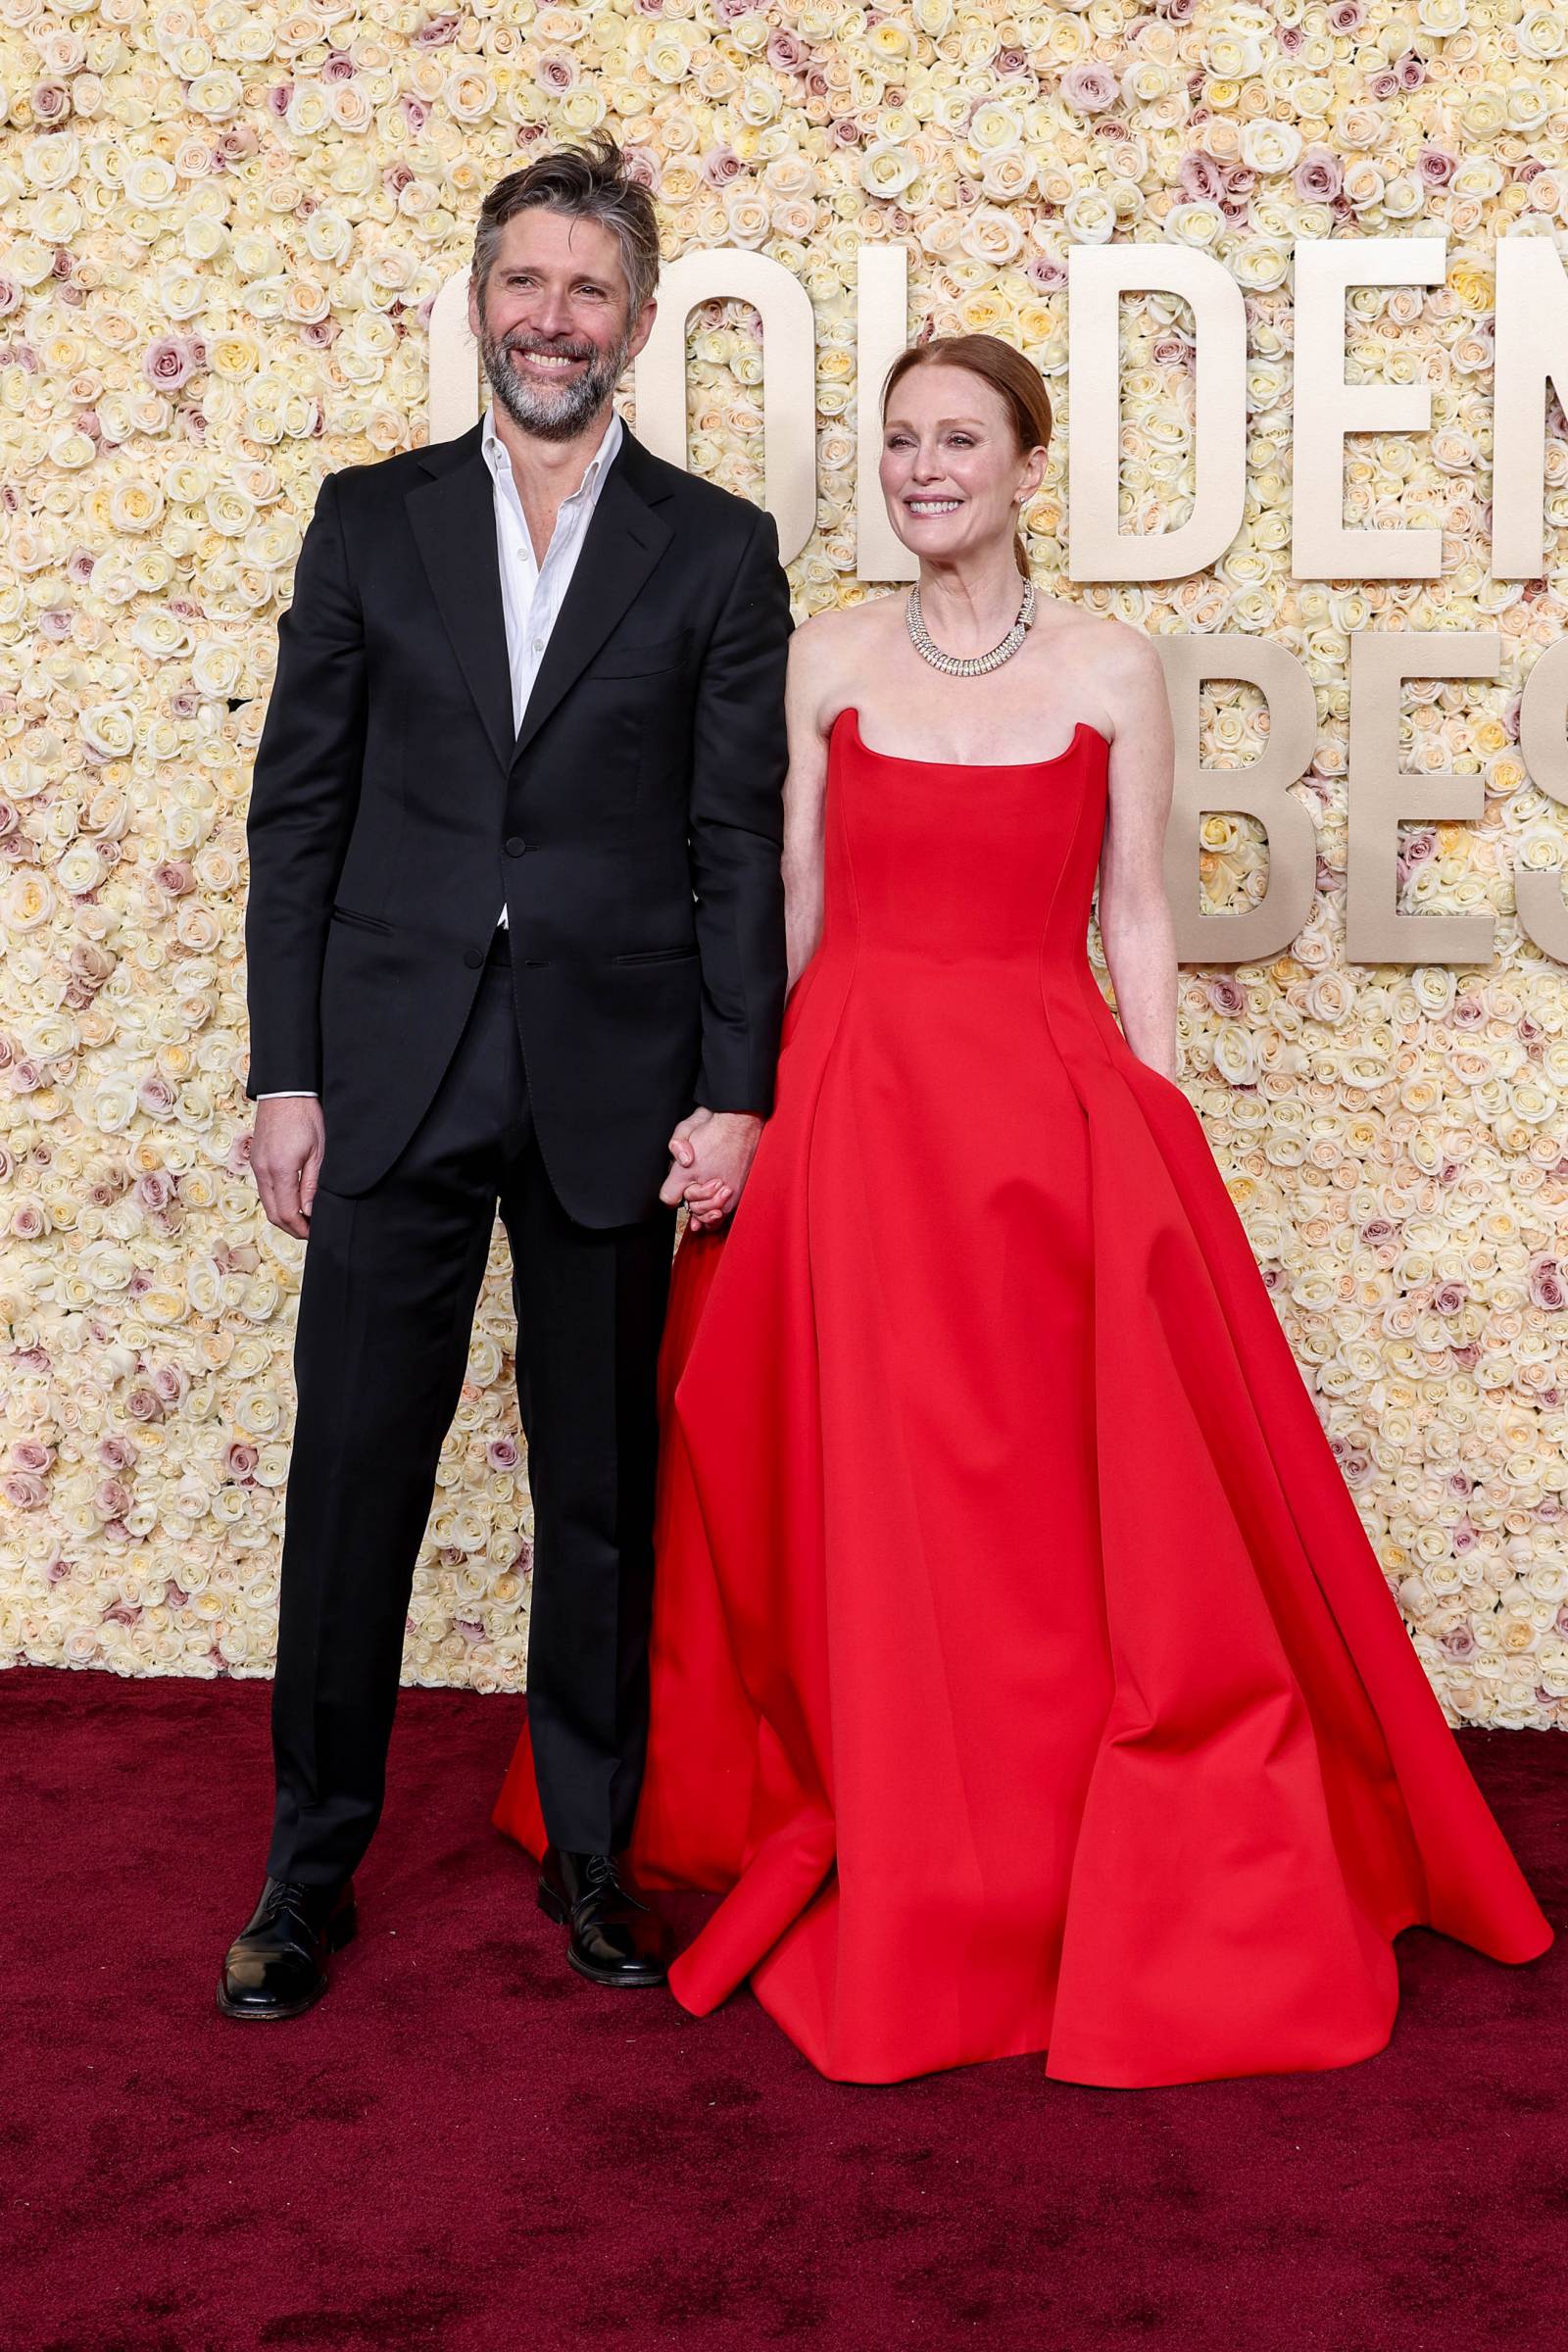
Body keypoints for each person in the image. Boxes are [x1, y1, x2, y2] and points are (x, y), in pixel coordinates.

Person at [496, 332, 1552, 2087]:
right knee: (850, 1475)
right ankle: (884, 1781)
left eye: (960, 440)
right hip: (851, 1110)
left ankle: (1038, 1803)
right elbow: (786, 909)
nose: (925, 469)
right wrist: (738, 1107)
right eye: (901, 443)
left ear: (1024, 464)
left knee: (1059, 1496)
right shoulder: (825, 654)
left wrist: (1154, 1106)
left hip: (1043, 1111)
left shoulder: (1113, 666)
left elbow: (1136, 907)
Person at [220, 135, 791, 2020]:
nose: (554, 319)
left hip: (616, 1088)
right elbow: (296, 812)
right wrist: (286, 1071)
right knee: (353, 1482)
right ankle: (307, 1880)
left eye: (590, 290)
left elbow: (735, 837)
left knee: (601, 1494)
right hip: (387, 1073)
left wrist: (739, 1092)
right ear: (483, 301)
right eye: (526, 283)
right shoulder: (364, 520)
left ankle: (596, 1864)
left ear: (637, 321)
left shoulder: (714, 549)